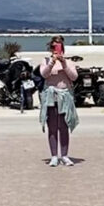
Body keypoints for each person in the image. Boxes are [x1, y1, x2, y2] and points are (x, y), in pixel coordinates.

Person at [39, 35, 79, 167]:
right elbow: (44, 74)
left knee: (64, 126)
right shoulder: (45, 61)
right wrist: (52, 62)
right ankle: (54, 156)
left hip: (65, 96)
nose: (56, 49)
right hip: (51, 96)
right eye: (54, 46)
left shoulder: (69, 62)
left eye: (59, 46)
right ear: (51, 48)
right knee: (52, 127)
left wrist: (64, 63)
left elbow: (74, 77)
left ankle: (65, 155)